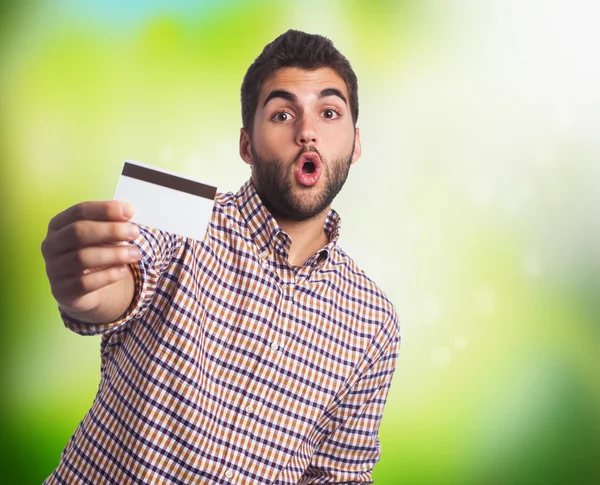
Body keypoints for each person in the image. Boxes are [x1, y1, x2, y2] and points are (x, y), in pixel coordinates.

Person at [41, 29, 400, 484]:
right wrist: (86, 283)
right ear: (247, 144)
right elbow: (124, 277)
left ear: (356, 143)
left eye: (329, 112)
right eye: (283, 113)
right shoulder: (181, 211)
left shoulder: (373, 320)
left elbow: (336, 475)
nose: (307, 132)